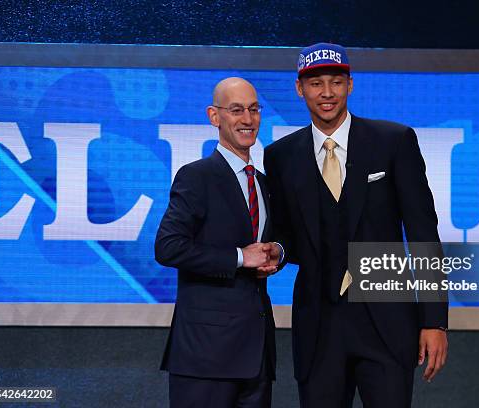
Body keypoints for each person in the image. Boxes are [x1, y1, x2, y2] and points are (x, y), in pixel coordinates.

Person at [263, 43, 448, 408]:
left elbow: (424, 233)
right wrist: (278, 251)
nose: (327, 93)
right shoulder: (280, 155)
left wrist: (434, 321)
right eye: (316, 84)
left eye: (336, 82)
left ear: (350, 85)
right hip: (318, 327)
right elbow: (286, 235)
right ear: (300, 89)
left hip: (387, 322)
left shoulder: (393, 141)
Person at [155, 77, 281, 408]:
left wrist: (277, 253)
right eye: (237, 110)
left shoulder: (264, 183)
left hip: (256, 356)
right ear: (215, 117)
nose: (248, 119)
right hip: (206, 356)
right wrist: (240, 257)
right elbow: (168, 247)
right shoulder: (196, 176)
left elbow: (276, 240)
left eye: (254, 109)